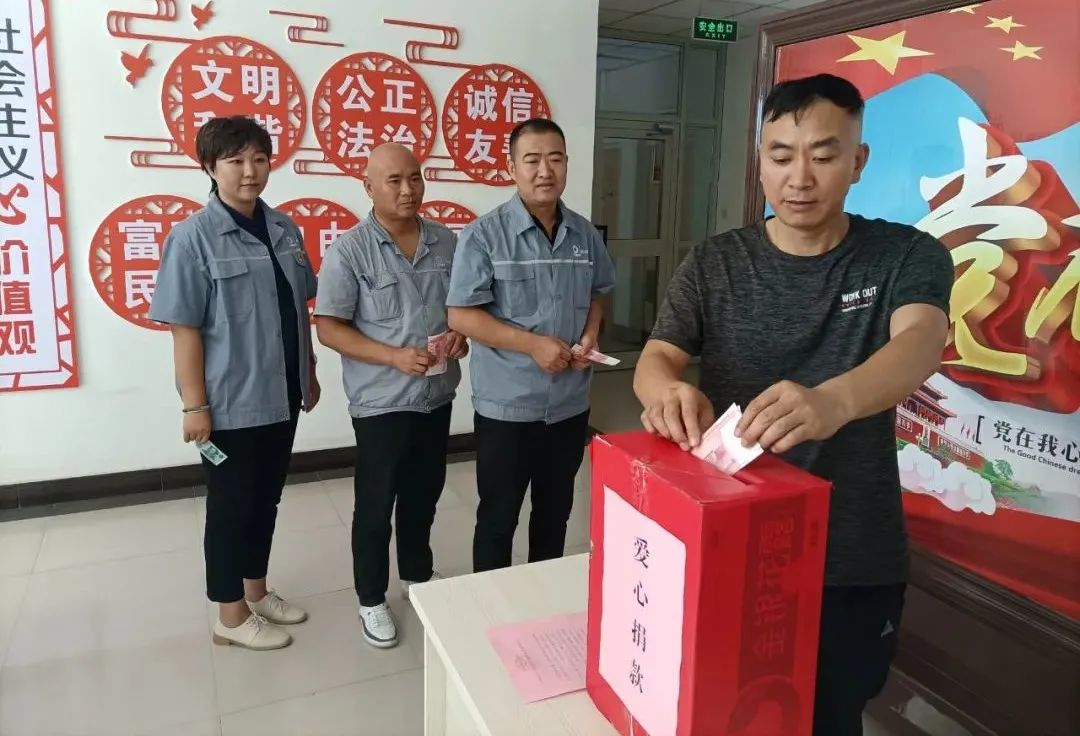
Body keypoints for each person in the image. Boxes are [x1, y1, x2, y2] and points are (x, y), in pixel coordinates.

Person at [632, 74, 953, 735]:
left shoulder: (904, 256)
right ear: (760, 162)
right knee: (721, 710)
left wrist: (837, 399)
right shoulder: (716, 263)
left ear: (858, 161)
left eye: (824, 155)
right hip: (729, 541)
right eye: (781, 156)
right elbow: (657, 357)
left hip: (850, 552)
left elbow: (921, 340)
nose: (799, 178)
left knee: (833, 715)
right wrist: (666, 392)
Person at [150, 116, 320, 651]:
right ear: (209, 167)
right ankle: (230, 615)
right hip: (230, 404)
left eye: (259, 159)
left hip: (282, 394)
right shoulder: (192, 238)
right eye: (235, 161)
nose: (250, 172)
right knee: (231, 508)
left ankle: (256, 592)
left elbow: (298, 310)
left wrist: (310, 372)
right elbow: (185, 330)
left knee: (266, 500)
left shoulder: (284, 228)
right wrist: (194, 406)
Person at [314, 143, 467, 649]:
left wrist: (460, 334)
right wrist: (392, 356)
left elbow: (463, 308)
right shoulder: (350, 251)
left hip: (436, 394)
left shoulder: (446, 242)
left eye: (415, 178)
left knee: (424, 493)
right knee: (377, 503)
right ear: (369, 187)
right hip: (382, 401)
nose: (408, 190)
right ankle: (371, 598)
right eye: (394, 181)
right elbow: (329, 328)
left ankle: (418, 574)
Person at [446, 118, 616, 573]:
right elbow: (461, 315)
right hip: (508, 408)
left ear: (567, 165)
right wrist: (532, 345)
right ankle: (490, 603)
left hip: (569, 405)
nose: (545, 170)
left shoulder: (583, 234)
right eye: (533, 160)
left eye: (555, 159)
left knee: (555, 515)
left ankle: (542, 602)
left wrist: (591, 332)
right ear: (512, 167)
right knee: (498, 518)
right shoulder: (484, 235)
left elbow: (598, 293)